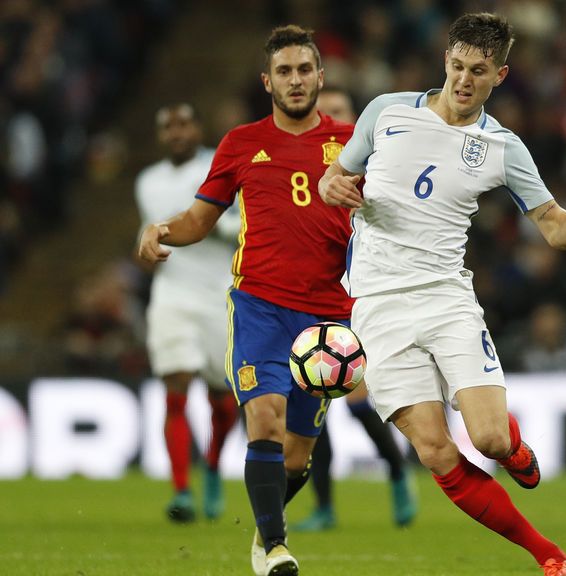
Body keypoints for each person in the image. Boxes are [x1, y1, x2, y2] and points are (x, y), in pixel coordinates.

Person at [318, 13, 566, 576]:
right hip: (376, 306)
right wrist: (333, 184)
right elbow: (331, 180)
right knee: (436, 451)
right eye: (458, 66)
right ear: (445, 61)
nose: (464, 80)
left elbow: (557, 230)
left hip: (445, 297)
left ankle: (511, 448)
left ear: (500, 75)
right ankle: (550, 555)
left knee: (487, 438)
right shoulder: (384, 111)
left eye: (479, 71)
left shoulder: (502, 147)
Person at [139, 25, 356, 576]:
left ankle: (263, 537)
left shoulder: (355, 144)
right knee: (264, 415)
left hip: (328, 313)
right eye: (284, 71)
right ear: (267, 82)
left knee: (296, 454)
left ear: (320, 76)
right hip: (258, 303)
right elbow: (198, 220)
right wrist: (160, 229)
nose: (296, 80)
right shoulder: (240, 144)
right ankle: (278, 548)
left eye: (305, 70)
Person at [293, 84, 418, 532]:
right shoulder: (306, 177)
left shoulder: (379, 169)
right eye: (324, 114)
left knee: (361, 399)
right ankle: (324, 506)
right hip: (313, 295)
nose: (333, 123)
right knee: (315, 397)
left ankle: (400, 474)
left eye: (341, 112)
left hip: (364, 294)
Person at [134, 103, 239, 523]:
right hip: (172, 293)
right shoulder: (147, 182)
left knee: (222, 399)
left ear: (197, 127)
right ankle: (181, 491)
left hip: (220, 293)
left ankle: (212, 466)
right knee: (175, 388)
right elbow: (146, 233)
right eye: (168, 126)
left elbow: (241, 225)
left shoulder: (222, 165)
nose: (177, 133)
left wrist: (201, 225)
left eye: (184, 124)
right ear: (160, 135)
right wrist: (147, 249)